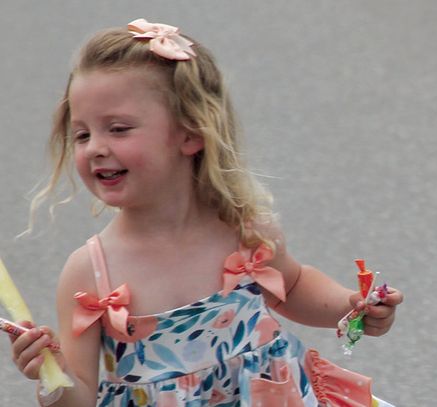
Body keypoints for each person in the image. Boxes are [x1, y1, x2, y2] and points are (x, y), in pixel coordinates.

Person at [10, 18, 403, 406]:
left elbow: (293, 287)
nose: (95, 147)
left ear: (191, 133)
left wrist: (349, 306)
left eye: (118, 128)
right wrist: (52, 374)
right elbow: (79, 394)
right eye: (82, 134)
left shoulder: (244, 231)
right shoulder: (89, 273)